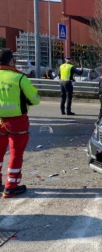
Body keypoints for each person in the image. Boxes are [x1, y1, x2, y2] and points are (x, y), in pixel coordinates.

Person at [0, 48, 41, 198]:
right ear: (11, 61)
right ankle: (10, 187)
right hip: (16, 122)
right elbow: (35, 99)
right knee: (15, 154)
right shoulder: (19, 78)